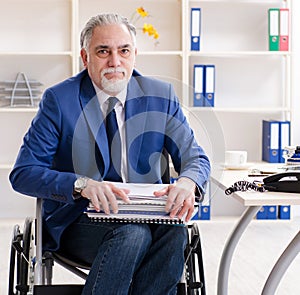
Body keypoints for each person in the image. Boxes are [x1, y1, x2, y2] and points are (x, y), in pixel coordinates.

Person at [9, 13, 210, 295]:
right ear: (85, 56)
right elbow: (23, 172)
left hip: (148, 214)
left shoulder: (161, 95)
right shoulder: (60, 100)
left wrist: (188, 182)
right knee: (132, 234)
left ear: (134, 55)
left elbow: (195, 157)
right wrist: (83, 185)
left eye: (124, 51)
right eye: (103, 51)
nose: (115, 62)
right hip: (80, 221)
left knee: (176, 234)